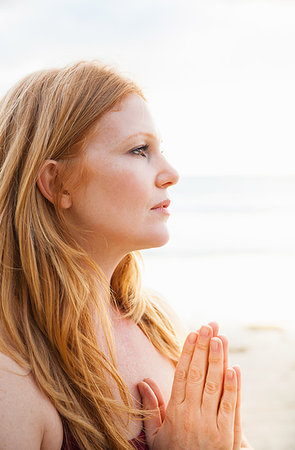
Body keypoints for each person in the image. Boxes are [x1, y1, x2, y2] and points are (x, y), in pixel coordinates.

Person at [0, 61, 252, 449]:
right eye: (139, 150)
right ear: (56, 182)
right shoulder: (12, 375)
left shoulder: (156, 321)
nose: (171, 172)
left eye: (160, 150)